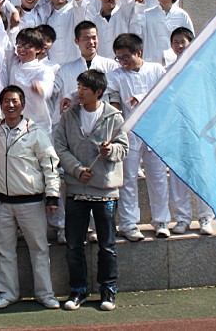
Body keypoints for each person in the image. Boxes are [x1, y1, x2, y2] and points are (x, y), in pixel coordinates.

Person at [0, 85, 61, 310]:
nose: (10, 105)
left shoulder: (35, 132)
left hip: (30, 202)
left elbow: (50, 164)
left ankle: (45, 294)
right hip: (1, 203)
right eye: (6, 101)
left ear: (22, 104)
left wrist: (52, 195)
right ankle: (7, 293)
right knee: (4, 251)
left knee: (39, 249)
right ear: (1, 104)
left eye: (15, 101)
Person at [54, 69, 129, 312]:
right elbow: (60, 146)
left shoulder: (114, 117)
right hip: (76, 189)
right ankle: (78, 290)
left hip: (105, 190)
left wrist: (111, 151)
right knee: (74, 244)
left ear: (98, 92)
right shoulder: (69, 115)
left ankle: (108, 289)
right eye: (78, 87)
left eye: (84, 88)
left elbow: (123, 147)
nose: (80, 92)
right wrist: (76, 170)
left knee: (107, 245)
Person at [106, 33, 170, 241]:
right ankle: (129, 223)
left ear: (139, 53)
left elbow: (164, 92)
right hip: (130, 134)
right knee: (128, 179)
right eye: (119, 58)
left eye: (126, 57)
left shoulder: (156, 70)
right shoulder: (117, 75)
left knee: (158, 177)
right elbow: (104, 91)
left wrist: (141, 97)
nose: (123, 62)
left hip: (155, 132)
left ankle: (161, 221)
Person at [165, 27, 215, 236]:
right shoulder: (167, 72)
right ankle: (183, 218)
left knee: (203, 172)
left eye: (182, 41)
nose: (179, 45)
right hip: (177, 128)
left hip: (200, 127)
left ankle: (206, 217)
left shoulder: (202, 69)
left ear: (191, 43)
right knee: (178, 174)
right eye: (175, 42)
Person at [130, 0, 194, 64]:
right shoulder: (147, 14)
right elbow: (135, 34)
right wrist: (139, 8)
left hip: (174, 64)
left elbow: (191, 41)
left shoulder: (182, 16)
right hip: (151, 63)